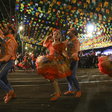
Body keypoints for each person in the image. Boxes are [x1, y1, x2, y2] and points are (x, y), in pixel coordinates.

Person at [35, 30, 72, 101]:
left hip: (56, 61)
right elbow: (44, 44)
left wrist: (67, 56)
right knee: (50, 77)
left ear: (59, 36)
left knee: (51, 77)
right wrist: (47, 37)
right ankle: (57, 91)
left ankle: (57, 93)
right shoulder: (50, 43)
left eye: (57, 34)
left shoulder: (61, 44)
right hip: (49, 60)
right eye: (54, 34)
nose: (55, 35)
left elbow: (63, 51)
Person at [0, 24, 17, 103]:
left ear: (10, 30)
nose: (4, 29)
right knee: (3, 79)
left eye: (5, 28)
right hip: (5, 61)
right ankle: (12, 93)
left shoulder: (11, 40)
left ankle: (8, 92)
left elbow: (9, 54)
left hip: (8, 61)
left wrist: (1, 60)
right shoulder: (6, 38)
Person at [64, 28, 81, 97]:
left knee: (72, 76)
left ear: (74, 33)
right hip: (68, 60)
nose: (68, 32)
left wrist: (73, 55)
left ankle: (79, 90)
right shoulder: (67, 41)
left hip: (74, 60)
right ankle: (71, 90)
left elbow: (76, 50)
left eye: (70, 31)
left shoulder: (76, 41)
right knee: (68, 76)